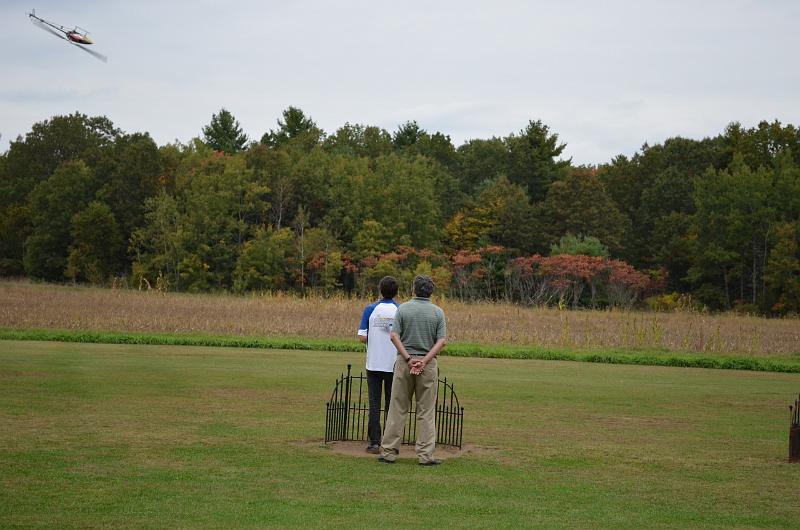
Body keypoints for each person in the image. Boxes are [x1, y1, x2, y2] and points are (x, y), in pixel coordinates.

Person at [379, 275, 447, 466]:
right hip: (428, 365)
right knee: (426, 411)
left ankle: (389, 452)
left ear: (414, 289)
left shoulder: (403, 309)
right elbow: (441, 341)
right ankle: (425, 455)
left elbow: (394, 336)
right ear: (431, 292)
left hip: (404, 363)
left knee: (397, 407)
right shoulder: (438, 312)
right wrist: (424, 361)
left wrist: (409, 359)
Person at [357, 276, 399, 454]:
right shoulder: (400, 310)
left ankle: (375, 442)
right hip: (394, 364)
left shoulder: (370, 309)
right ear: (396, 292)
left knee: (374, 404)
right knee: (392, 404)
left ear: (380, 290)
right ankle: (390, 442)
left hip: (374, 363)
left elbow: (362, 337)